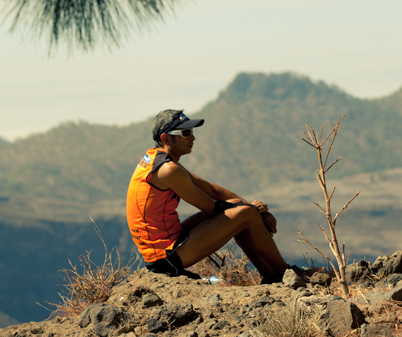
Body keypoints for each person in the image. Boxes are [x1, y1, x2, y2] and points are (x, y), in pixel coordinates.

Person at [125, 109, 292, 283]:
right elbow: (211, 207)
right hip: (166, 257)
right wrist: (253, 209)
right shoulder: (168, 170)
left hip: (168, 244)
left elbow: (210, 189)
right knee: (245, 214)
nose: (193, 138)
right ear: (166, 138)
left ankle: (273, 275)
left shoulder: (158, 160)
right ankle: (286, 273)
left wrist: (251, 207)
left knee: (239, 206)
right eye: (186, 133)